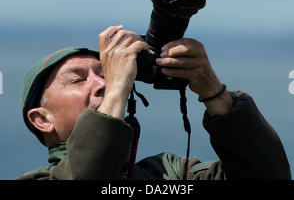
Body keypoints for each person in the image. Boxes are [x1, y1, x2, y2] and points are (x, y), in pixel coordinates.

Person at [16, 25, 291, 180]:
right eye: (77, 80)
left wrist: (213, 91)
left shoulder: (167, 174)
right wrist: (115, 94)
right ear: (42, 119)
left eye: (105, 74)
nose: (103, 83)